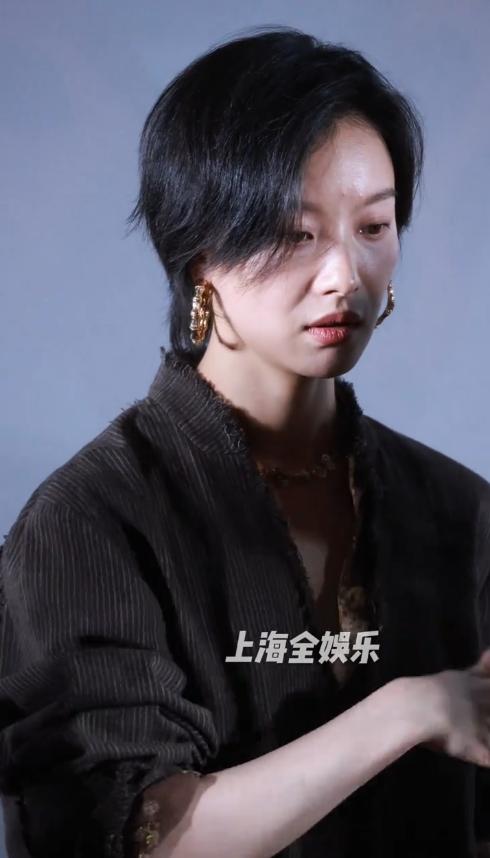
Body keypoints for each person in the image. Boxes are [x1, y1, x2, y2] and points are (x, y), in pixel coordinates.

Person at [0, 25, 489, 858]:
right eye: (297, 233)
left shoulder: (457, 508)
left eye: (374, 227)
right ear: (200, 255)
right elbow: (130, 835)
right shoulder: (88, 523)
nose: (345, 276)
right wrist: (408, 710)